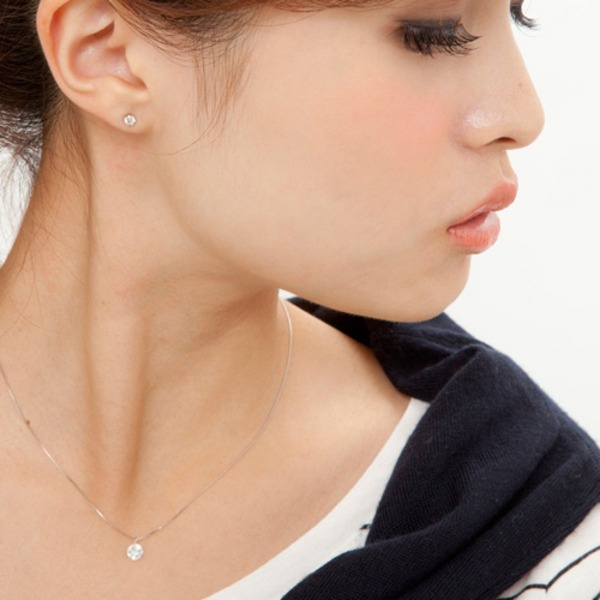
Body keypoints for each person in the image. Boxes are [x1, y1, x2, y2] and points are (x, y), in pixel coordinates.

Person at [0, 0, 598, 598]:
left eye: (515, 13)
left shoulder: (546, 549)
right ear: (106, 54)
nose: (524, 115)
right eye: (430, 34)